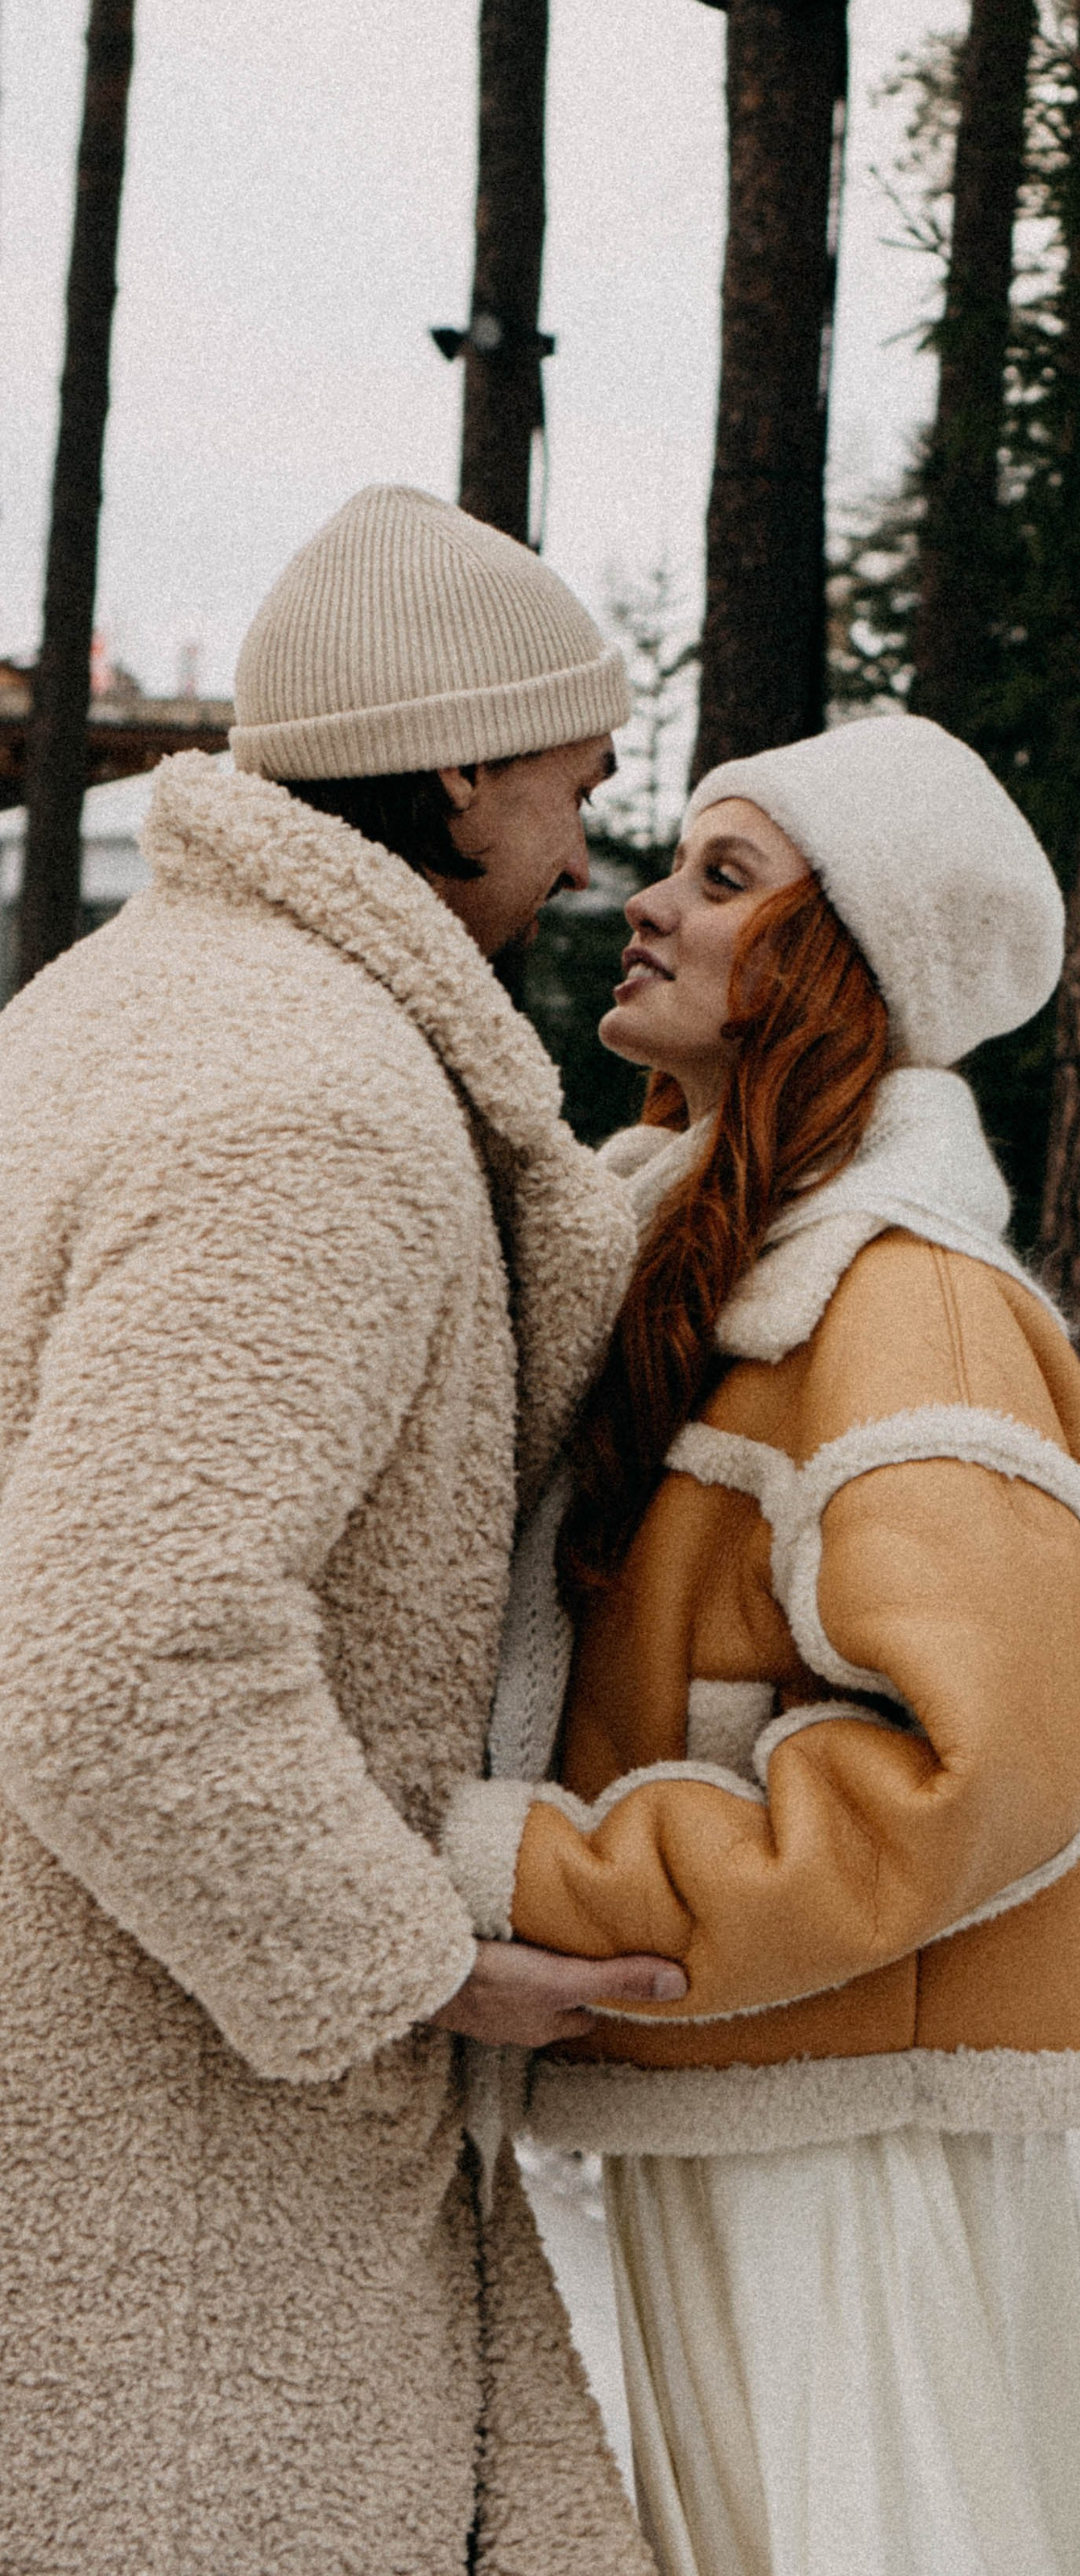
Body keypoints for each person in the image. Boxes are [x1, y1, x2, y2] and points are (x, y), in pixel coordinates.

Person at [0, 484, 681, 2576]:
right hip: (183, 2156)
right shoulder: (312, 1103)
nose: (587, 853)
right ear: (464, 764)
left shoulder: (121, 1010)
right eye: (574, 785)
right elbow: (125, 1648)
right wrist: (412, 1966)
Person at [443, 714, 1080, 2576]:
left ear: (842, 962)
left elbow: (978, 1767)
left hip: (845, 2132)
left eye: (723, 875)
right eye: (670, 860)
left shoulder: (902, 1305)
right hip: (765, 2087)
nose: (644, 907)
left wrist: (553, 1876)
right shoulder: (741, 1268)